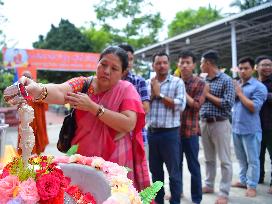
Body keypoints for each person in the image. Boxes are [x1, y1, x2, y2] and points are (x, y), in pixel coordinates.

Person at [19, 46, 150, 191]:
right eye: (103, 64)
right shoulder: (84, 85)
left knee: (115, 195)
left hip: (117, 159)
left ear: (123, 73)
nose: (106, 71)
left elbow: (129, 123)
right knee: (83, 195)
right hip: (83, 158)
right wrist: (37, 89)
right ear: (98, 63)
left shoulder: (126, 89)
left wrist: (93, 107)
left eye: (114, 68)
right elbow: (60, 91)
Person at [147, 51, 186, 204]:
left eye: (164, 62)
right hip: (152, 133)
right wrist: (152, 94)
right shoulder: (147, 83)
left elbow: (180, 106)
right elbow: (142, 106)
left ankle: (175, 201)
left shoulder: (177, 82)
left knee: (174, 173)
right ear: (153, 65)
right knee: (155, 173)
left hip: (170, 134)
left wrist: (159, 95)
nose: (161, 65)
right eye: (158, 63)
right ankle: (158, 201)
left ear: (169, 64)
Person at [199, 50, 235, 204]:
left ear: (208, 63)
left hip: (220, 123)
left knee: (225, 160)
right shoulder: (203, 80)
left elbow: (228, 104)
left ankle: (224, 193)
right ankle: (209, 185)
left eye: (201, 62)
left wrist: (207, 95)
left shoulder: (226, 80)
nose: (200, 65)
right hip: (204, 123)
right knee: (208, 159)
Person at [231, 57, 267, 197]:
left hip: (251, 129)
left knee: (253, 159)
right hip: (236, 128)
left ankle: (252, 185)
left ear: (253, 69)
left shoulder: (259, 87)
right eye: (240, 68)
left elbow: (254, 107)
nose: (243, 71)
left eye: (246, 68)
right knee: (241, 158)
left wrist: (239, 93)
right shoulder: (237, 84)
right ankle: (243, 180)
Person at [177, 50, 207, 204]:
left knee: (193, 167)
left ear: (194, 65)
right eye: (182, 62)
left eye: (188, 62)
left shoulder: (201, 83)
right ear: (178, 64)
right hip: (174, 132)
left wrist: (181, 90)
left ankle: (196, 199)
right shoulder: (173, 80)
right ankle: (178, 192)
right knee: (176, 166)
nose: (184, 66)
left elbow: (196, 105)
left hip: (191, 132)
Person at [118, 43, 150, 144]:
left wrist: (120, 109)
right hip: (113, 134)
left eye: (131, 59)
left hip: (135, 136)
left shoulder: (139, 81)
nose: (129, 62)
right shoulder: (109, 81)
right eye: (126, 58)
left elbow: (145, 108)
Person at [18, 70, 49, 155]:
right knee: (26, 137)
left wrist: (36, 98)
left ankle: (36, 155)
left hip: (37, 119)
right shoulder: (20, 91)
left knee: (36, 137)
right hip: (27, 120)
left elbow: (45, 104)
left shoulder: (37, 88)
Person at [255, 55, 272, 193]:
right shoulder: (253, 83)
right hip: (255, 126)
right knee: (257, 155)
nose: (267, 68)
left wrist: (262, 94)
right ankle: (259, 177)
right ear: (256, 67)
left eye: (269, 65)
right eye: (264, 65)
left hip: (270, 126)